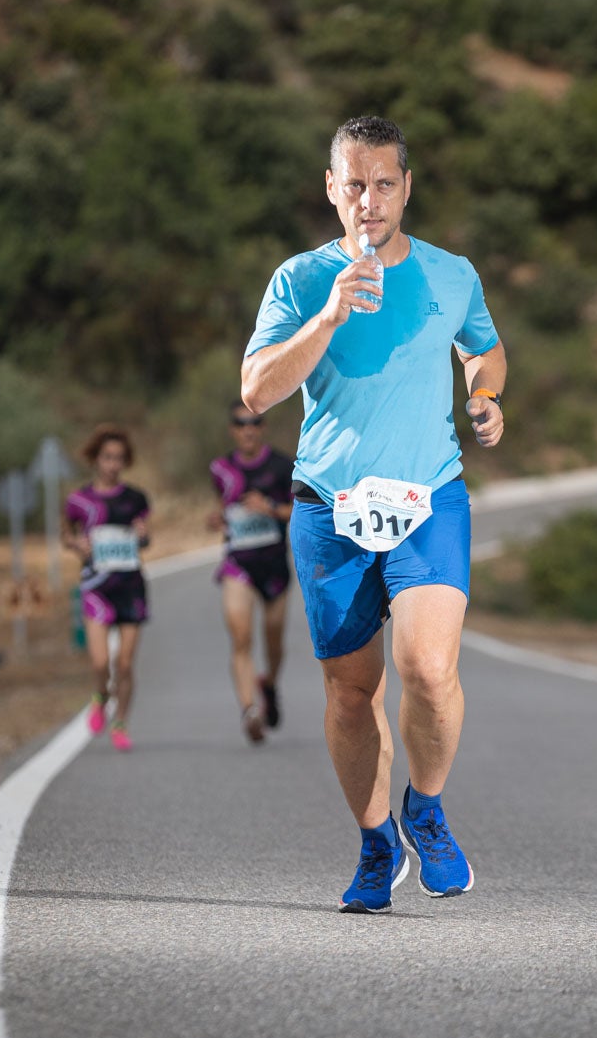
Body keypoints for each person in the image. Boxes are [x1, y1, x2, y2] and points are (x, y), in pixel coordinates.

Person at [241, 115, 506, 913]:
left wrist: (485, 393)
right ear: (331, 188)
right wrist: (327, 317)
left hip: (430, 498)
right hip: (331, 506)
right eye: (353, 184)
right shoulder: (297, 279)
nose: (369, 199)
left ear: (406, 187)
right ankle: (374, 839)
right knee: (351, 691)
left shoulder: (450, 273)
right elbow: (256, 391)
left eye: (384, 183)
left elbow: (483, 347)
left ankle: (426, 808)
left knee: (428, 669)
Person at [207, 400, 295, 744]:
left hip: (273, 565)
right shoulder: (220, 468)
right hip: (237, 564)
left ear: (263, 427)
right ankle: (249, 711)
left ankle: (269, 683)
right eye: (241, 423)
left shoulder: (282, 465)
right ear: (232, 428)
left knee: (273, 638)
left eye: (255, 422)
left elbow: (300, 511)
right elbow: (223, 506)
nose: (248, 429)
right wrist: (215, 519)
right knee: (241, 638)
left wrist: (270, 508)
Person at [62, 424, 151, 753]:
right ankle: (100, 697)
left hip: (130, 586)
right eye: (107, 457)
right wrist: (77, 544)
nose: (112, 464)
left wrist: (142, 534)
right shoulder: (79, 501)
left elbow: (146, 536)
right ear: (95, 459)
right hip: (97, 588)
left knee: (125, 664)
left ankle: (121, 721)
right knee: (101, 662)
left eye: (118, 458)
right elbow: (66, 535)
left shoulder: (136, 499)